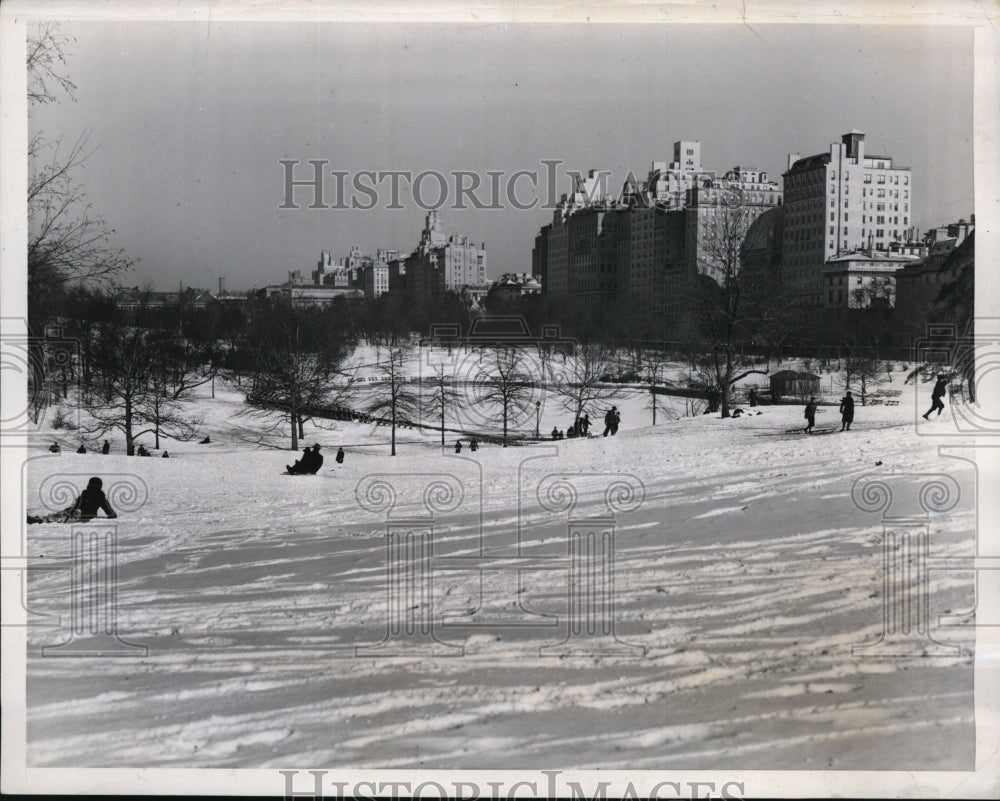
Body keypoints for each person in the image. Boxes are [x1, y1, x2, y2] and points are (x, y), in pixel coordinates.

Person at [27, 476, 117, 524]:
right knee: (61, 515)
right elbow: (77, 504)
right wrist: (70, 510)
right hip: (78, 513)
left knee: (62, 516)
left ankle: (40, 520)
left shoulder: (99, 496)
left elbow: (107, 508)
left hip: (85, 515)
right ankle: (39, 519)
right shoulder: (86, 493)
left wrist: (111, 515)